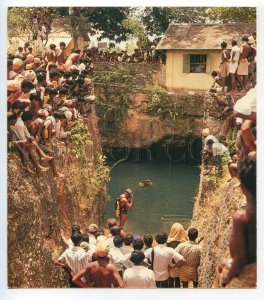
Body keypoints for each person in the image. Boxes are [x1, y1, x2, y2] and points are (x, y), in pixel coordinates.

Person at [220, 155, 256, 287]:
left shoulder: (242, 217)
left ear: (243, 184)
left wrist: (225, 279)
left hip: (252, 270)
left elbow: (240, 260)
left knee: (222, 267)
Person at [167, 223, 188, 288]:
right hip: (180, 265)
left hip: (170, 265)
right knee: (178, 281)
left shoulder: (168, 242)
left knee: (170, 281)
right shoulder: (184, 242)